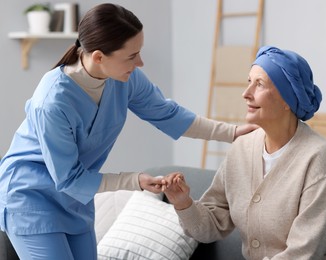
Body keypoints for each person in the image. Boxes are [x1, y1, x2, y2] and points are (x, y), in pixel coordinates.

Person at [0, 3, 257, 260]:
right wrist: (134, 180)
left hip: (75, 201)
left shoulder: (125, 78)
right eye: (132, 56)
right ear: (99, 57)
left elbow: (169, 114)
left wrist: (234, 133)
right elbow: (68, 179)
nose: (140, 62)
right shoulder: (52, 102)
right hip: (31, 198)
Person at [162, 46, 326, 259]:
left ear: (287, 100)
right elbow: (212, 225)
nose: (246, 94)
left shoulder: (318, 158)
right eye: (248, 82)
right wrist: (183, 203)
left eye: (259, 84)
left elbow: (303, 253)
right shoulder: (241, 148)